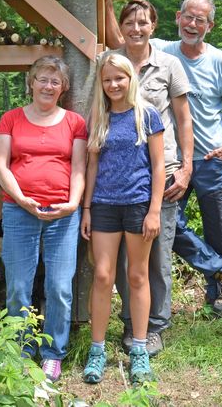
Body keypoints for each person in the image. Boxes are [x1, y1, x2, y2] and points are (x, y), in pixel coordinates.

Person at [106, 0, 222, 317]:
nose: (192, 24)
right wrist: (107, 5)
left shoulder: (220, 61)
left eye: (200, 19)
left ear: (211, 25)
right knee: (169, 226)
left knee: (218, 232)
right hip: (168, 161)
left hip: (212, 159)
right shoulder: (164, 51)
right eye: (188, 17)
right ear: (178, 18)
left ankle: (218, 304)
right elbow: (122, 40)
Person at [105, 0, 193, 356]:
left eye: (143, 23)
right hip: (120, 177)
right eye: (130, 23)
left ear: (154, 26)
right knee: (126, 258)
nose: (136, 29)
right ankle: (131, 321)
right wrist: (106, 2)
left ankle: (155, 326)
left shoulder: (169, 64)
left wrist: (187, 167)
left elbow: (184, 119)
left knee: (157, 254)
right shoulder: (112, 63)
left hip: (163, 173)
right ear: (122, 27)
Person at [0, 55, 87, 383]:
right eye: (42, 79)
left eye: (55, 81)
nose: (48, 86)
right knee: (19, 285)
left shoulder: (75, 122)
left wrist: (73, 203)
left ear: (63, 88)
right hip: (20, 210)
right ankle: (19, 349)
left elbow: (79, 168)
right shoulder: (11, 119)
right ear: (31, 82)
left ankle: (53, 353)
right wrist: (20, 199)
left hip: (63, 213)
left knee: (59, 286)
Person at [81, 53, 165, 385]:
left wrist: (154, 210)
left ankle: (140, 350)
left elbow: (159, 166)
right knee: (102, 275)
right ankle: (97, 350)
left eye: (120, 78)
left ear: (130, 79)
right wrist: (86, 208)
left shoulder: (147, 115)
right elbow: (92, 166)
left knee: (137, 276)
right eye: (107, 79)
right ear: (101, 83)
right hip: (103, 205)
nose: (114, 84)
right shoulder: (98, 117)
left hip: (138, 205)